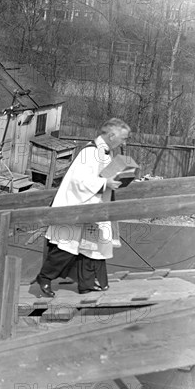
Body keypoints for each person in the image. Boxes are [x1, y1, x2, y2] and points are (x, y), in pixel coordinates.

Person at [34, 118, 131, 297]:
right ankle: (44, 277)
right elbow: (80, 181)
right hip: (76, 205)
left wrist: (117, 178)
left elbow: (102, 175)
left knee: (92, 245)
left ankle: (86, 283)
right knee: (66, 246)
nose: (124, 142)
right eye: (123, 138)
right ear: (111, 135)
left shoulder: (105, 153)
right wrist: (105, 182)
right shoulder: (90, 153)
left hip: (94, 205)